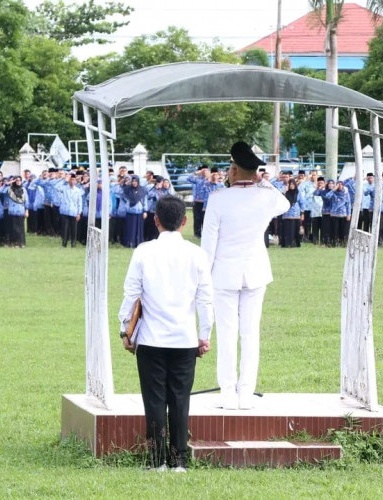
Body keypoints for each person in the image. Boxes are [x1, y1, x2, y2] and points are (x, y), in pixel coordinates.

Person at [118, 195, 213, 471]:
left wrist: (126, 330)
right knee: (180, 401)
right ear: (184, 222)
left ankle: (157, 459)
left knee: (154, 401)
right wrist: (204, 334)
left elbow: (131, 295)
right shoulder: (197, 254)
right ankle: (179, 460)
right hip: (185, 338)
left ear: (155, 220)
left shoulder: (143, 251)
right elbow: (206, 298)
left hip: (151, 339)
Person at [201, 142, 290, 410]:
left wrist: (203, 277)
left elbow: (208, 244)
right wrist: (263, 183)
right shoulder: (266, 197)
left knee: (227, 334)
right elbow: (285, 204)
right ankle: (245, 393)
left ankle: (228, 393)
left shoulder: (218, 198)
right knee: (251, 334)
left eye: (231, 167)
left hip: (223, 274)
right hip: (255, 271)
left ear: (235, 170)